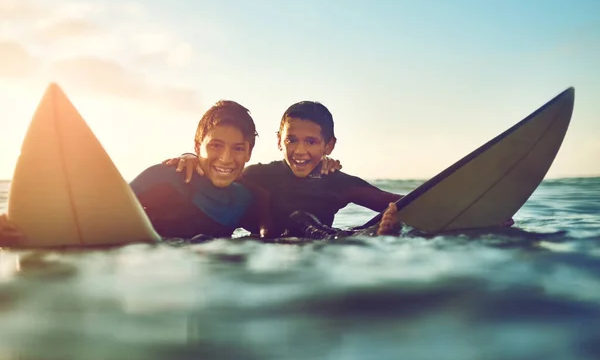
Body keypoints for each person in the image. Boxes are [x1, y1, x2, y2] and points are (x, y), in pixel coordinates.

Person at [0, 100, 270, 246]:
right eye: (215, 146)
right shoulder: (164, 178)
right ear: (197, 146)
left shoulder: (245, 201)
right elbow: (89, 213)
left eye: (238, 149)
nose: (226, 158)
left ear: (249, 153)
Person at [164, 101, 405, 239]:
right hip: (268, 254)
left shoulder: (337, 183)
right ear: (280, 140)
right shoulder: (259, 175)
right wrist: (191, 157)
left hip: (320, 251)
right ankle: (366, 237)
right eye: (292, 140)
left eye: (311, 142)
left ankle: (367, 236)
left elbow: (404, 203)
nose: (300, 150)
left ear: (328, 145)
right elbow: (220, 173)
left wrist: (394, 218)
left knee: (303, 221)